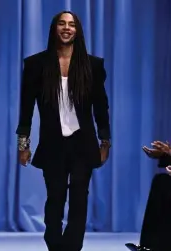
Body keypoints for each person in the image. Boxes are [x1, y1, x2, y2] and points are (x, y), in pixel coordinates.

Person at [16, 11, 111, 251]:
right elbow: (26, 108)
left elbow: (101, 106)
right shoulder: (35, 64)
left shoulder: (93, 65)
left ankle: (72, 247)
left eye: (71, 24)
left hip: (83, 142)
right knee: (55, 198)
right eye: (62, 23)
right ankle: (55, 245)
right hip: (53, 143)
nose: (67, 28)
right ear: (54, 29)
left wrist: (105, 141)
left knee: (80, 199)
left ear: (77, 30)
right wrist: (23, 144)